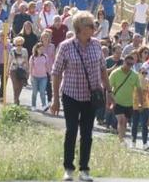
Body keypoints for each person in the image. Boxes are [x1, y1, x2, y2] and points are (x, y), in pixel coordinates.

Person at [50, 12, 111, 182]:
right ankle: (68, 168)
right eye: (90, 25)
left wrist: (109, 92)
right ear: (79, 28)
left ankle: (84, 169)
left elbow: (103, 70)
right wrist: (55, 99)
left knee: (87, 133)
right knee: (71, 130)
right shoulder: (66, 46)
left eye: (94, 25)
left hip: (91, 97)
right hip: (71, 94)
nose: (94, 28)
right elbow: (56, 73)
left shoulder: (97, 45)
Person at [109, 52, 141, 143]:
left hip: (129, 103)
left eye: (131, 64)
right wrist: (109, 101)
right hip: (117, 101)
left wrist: (140, 103)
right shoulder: (115, 73)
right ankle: (121, 140)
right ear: (124, 62)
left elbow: (139, 89)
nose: (129, 66)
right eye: (128, 64)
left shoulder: (135, 75)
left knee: (125, 122)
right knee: (121, 120)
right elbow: (108, 88)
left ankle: (121, 136)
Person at [131, 56, 149, 150]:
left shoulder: (148, 82)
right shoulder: (134, 81)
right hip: (135, 105)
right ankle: (133, 141)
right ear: (139, 73)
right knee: (134, 124)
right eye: (143, 72)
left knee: (145, 125)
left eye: (146, 73)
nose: (144, 74)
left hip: (146, 105)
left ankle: (145, 143)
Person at [8, 36, 30, 105]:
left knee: (20, 85)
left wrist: (28, 71)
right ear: (15, 44)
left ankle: (16, 98)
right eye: (18, 44)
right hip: (13, 70)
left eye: (21, 44)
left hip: (22, 70)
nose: (19, 46)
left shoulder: (25, 51)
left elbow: (26, 61)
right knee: (15, 85)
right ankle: (16, 100)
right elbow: (9, 61)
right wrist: (7, 70)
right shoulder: (12, 50)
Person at [30, 42, 50, 110]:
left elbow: (47, 66)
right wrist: (31, 76)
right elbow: (31, 68)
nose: (41, 50)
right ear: (36, 49)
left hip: (43, 77)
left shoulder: (45, 56)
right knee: (34, 92)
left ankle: (44, 105)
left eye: (42, 49)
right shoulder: (32, 57)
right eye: (40, 49)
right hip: (35, 77)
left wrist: (50, 74)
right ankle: (33, 105)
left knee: (42, 91)